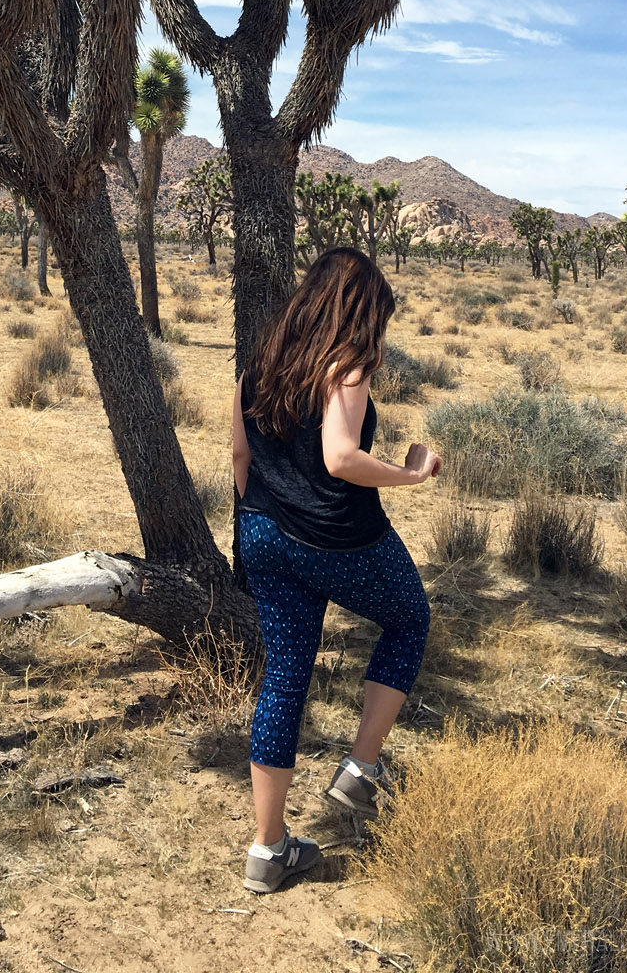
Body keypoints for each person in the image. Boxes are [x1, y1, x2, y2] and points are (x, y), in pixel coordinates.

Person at [232, 247, 441, 894]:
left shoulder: (258, 365)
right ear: (356, 311)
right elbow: (342, 457)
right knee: (409, 620)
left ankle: (268, 852)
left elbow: (238, 455)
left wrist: (255, 531)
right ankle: (361, 769)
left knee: (286, 677)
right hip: (336, 537)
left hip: (264, 531)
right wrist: (410, 473)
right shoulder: (345, 368)